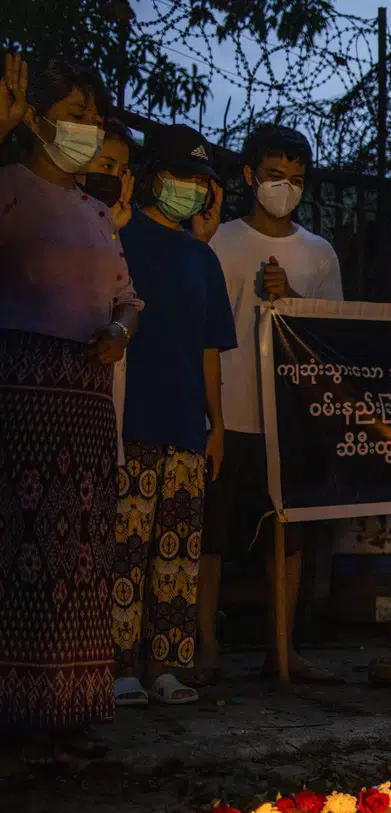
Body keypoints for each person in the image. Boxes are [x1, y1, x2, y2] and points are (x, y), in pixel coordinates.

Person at [0, 54, 139, 762]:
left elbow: (125, 293)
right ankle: (18, 706)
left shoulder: (94, 210)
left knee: (81, 553)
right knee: (19, 547)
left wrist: (119, 330)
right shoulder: (11, 190)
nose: (88, 130)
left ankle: (71, 703)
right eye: (78, 116)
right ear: (36, 118)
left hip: (87, 396)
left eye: (94, 118)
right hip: (22, 390)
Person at [197, 123, 344, 686]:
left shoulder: (318, 253)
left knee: (287, 538)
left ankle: (281, 649)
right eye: (276, 176)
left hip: (289, 416)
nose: (286, 187)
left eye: (297, 179)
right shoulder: (219, 239)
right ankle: (205, 643)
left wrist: (294, 300)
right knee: (211, 533)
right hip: (226, 411)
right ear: (250, 176)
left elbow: (333, 334)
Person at [109, 123, 236, 707]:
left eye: (201, 180)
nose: (193, 188)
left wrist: (217, 424)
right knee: (125, 548)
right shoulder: (118, 238)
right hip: (130, 416)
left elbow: (211, 347)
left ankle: (166, 665)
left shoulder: (201, 258)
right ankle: (117, 665)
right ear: (152, 176)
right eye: (184, 175)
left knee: (177, 553)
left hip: (188, 423)